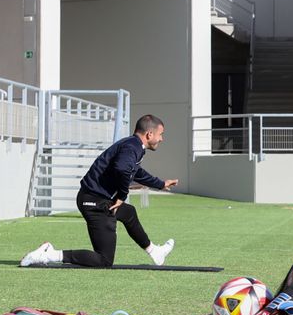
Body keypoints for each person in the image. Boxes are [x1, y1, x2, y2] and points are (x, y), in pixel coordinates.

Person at [20, 114, 178, 267]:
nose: (161, 139)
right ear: (150, 134)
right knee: (103, 260)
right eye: (160, 134)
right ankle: (50, 254)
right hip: (93, 201)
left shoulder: (133, 145)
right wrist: (122, 195)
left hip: (97, 198)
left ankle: (154, 252)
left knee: (128, 213)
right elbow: (122, 169)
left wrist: (161, 184)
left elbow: (135, 172)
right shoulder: (132, 146)